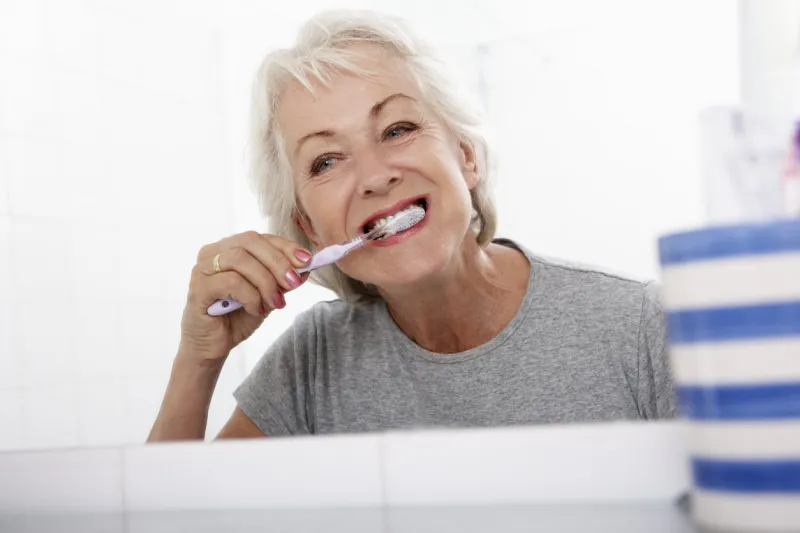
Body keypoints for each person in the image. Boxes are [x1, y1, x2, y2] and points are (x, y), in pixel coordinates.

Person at [148, 10, 675, 442]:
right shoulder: (312, 365)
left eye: (397, 128)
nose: (376, 176)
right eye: (326, 161)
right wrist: (198, 358)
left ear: (465, 157)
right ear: (308, 226)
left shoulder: (644, 332)